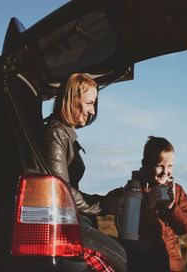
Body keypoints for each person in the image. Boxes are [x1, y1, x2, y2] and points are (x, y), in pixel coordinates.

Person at [42, 73, 126, 272]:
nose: (92, 110)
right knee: (122, 260)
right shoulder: (56, 134)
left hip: (76, 219)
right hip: (68, 223)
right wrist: (104, 204)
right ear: (72, 99)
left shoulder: (64, 134)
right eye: (89, 102)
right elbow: (61, 193)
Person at [131, 136, 187, 272]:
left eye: (170, 166)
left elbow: (186, 227)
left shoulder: (177, 191)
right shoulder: (134, 191)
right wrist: (148, 207)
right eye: (160, 166)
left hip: (171, 262)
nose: (165, 172)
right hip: (143, 262)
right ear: (145, 164)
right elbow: (128, 228)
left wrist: (171, 208)